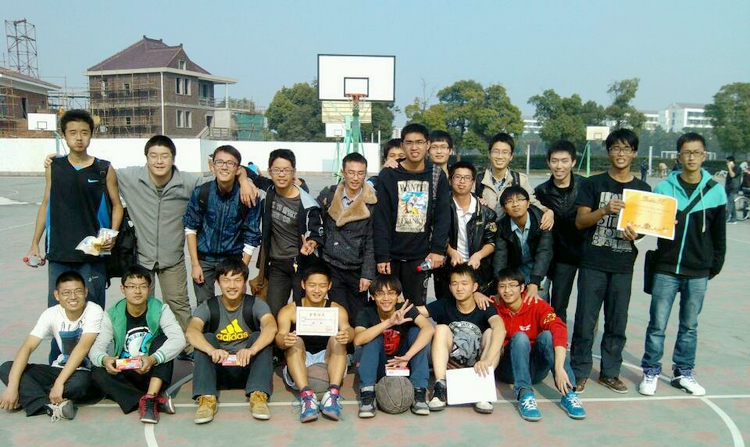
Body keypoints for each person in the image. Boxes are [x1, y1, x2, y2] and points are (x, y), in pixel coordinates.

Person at [113, 136, 256, 338]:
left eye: (165, 156)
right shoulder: (130, 177)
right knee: (139, 303)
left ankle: (188, 345)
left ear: (173, 159)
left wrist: (244, 180)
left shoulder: (188, 182)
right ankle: (141, 343)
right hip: (142, 256)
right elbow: (104, 171)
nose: (159, 161)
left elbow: (222, 178)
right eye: (153, 156)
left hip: (173, 258)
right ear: (146, 158)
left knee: (179, 306)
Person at [639, 133, 726, 396]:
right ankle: (651, 370)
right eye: (687, 152)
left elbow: (719, 236)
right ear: (678, 156)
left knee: (689, 326)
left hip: (698, 271)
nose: (691, 157)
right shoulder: (664, 190)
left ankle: (683, 372)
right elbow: (647, 225)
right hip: (666, 268)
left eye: (696, 152)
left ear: (704, 156)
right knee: (657, 324)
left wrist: (712, 266)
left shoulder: (715, 191)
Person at [570, 128, 651, 394]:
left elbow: (643, 230)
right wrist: (604, 210)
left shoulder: (643, 190)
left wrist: (636, 234)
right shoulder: (593, 184)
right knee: (585, 321)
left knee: (617, 322)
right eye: (615, 148)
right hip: (593, 262)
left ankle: (610, 372)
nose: (620, 153)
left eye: (626, 149)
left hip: (623, 265)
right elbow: (581, 221)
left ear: (634, 153)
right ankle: (580, 371)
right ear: (608, 152)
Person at [27, 110, 122, 335]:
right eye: (72, 132)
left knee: (93, 310)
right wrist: (35, 243)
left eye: (84, 132)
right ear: (64, 135)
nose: (79, 138)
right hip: (59, 251)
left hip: (93, 253)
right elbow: (46, 204)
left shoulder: (104, 169)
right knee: (58, 312)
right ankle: (58, 354)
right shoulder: (54, 167)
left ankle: (93, 354)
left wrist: (110, 236)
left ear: (91, 135)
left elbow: (117, 205)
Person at [0, 271, 103, 421]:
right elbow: (27, 347)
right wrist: (12, 387)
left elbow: (82, 348)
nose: (73, 297)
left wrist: (59, 384)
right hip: (59, 369)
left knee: (80, 384)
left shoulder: (94, 310)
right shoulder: (51, 314)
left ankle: (33, 398)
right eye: (66, 293)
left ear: (86, 292)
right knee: (7, 367)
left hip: (85, 372)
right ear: (56, 295)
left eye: (78, 291)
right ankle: (49, 404)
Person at [89, 265, 185, 423]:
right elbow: (96, 348)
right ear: (123, 289)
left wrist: (152, 359)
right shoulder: (112, 315)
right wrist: (105, 360)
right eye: (132, 286)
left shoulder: (160, 309)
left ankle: (151, 394)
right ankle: (150, 401)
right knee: (97, 372)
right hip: (126, 371)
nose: (137, 291)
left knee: (162, 341)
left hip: (153, 372)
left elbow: (179, 339)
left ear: (149, 288)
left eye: (142, 286)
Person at [185, 258, 277, 424]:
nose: (232, 286)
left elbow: (271, 327)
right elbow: (191, 331)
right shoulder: (209, 306)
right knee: (206, 338)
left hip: (248, 368)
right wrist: (211, 350)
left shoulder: (255, 304)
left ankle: (258, 395)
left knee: (260, 337)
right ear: (218, 282)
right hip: (219, 369)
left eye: (237, 280)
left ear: (245, 282)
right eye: (226, 280)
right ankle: (206, 398)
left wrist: (252, 350)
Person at [493, 268, 586, 422]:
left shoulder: (536, 305)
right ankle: (525, 394)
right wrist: (476, 295)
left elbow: (559, 329)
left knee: (548, 336)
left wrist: (559, 367)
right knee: (520, 338)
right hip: (508, 368)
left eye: (512, 285)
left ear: (522, 288)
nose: (507, 291)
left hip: (536, 369)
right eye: (502, 286)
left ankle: (569, 394)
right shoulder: (494, 305)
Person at [373, 123, 451, 306]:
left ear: (427, 145)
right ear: (402, 146)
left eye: (419, 142)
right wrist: (382, 255)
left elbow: (442, 216)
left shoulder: (436, 174)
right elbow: (381, 219)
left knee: (415, 308)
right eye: (409, 143)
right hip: (391, 256)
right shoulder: (389, 175)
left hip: (420, 256)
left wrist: (437, 250)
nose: (414, 147)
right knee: (387, 306)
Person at [416, 264, 505, 414]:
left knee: (491, 332)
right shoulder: (445, 303)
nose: (459, 288)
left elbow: (501, 329)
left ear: (474, 287)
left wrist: (487, 360)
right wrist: (394, 304)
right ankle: (440, 387)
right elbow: (418, 311)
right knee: (441, 329)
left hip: (478, 367)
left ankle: (483, 388)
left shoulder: (484, 306)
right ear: (450, 287)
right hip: (450, 367)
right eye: (455, 284)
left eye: (464, 284)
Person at [248, 149, 324, 316]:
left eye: (286, 170)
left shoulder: (307, 203)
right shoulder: (269, 190)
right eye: (277, 170)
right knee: (273, 312)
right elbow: (244, 171)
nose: (281, 174)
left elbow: (317, 233)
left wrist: (311, 243)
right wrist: (244, 182)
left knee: (301, 313)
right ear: (270, 172)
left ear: (294, 172)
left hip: (301, 265)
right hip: (276, 265)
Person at [184, 145, 262, 305]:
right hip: (204, 259)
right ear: (212, 166)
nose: (224, 167)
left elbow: (251, 235)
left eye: (230, 163)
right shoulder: (202, 192)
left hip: (232, 258)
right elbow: (191, 228)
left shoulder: (248, 196)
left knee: (234, 304)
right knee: (204, 306)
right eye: (219, 162)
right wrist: (195, 264)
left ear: (238, 169)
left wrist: (241, 269)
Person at [275, 264, 353, 422]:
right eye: (312, 285)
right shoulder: (289, 310)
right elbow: (279, 336)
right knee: (295, 341)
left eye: (322, 285)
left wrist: (347, 335)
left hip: (328, 359)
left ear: (329, 286)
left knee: (337, 340)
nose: (317, 290)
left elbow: (349, 329)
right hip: (300, 359)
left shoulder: (337, 309)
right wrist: (284, 340)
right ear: (303, 284)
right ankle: (306, 398)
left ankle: (333, 395)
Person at [354, 275, 435, 418]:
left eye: (391, 293)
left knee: (417, 332)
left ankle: (419, 391)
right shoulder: (366, 312)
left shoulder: (405, 309)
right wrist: (389, 323)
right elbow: (358, 340)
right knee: (372, 336)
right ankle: (367, 393)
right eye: (380, 293)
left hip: (404, 363)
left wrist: (407, 356)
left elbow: (429, 328)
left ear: (398, 296)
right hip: (379, 366)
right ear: (373, 296)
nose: (386, 298)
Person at [316, 152, 376, 326]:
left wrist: (367, 274)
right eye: (351, 172)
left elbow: (371, 240)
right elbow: (315, 219)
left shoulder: (372, 201)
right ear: (343, 172)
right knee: (338, 314)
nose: (355, 178)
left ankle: (357, 342)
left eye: (360, 173)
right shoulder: (329, 194)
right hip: (332, 264)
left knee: (358, 315)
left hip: (356, 267)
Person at [534, 141, 585, 322]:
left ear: (573, 162)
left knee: (588, 305)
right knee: (557, 305)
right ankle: (556, 337)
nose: (559, 166)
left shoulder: (586, 186)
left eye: (564, 161)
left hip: (586, 253)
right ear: (548, 162)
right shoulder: (541, 192)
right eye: (554, 161)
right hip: (559, 256)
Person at [436, 161, 497, 298]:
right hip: (448, 269)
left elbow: (491, 242)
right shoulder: (440, 209)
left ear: (473, 182)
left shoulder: (486, 212)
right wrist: (451, 252)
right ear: (450, 180)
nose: (462, 181)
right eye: (457, 177)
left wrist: (478, 255)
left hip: (477, 269)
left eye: (467, 178)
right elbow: (436, 235)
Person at [475, 132, 553, 228]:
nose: (500, 156)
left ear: (511, 156)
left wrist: (547, 211)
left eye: (505, 152)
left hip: (509, 233)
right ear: (489, 154)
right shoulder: (477, 180)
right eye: (496, 151)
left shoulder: (519, 179)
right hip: (483, 232)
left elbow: (531, 201)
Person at [492, 185, 554, 301]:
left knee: (538, 300)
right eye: (509, 201)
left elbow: (544, 252)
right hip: (515, 270)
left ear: (528, 203)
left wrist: (534, 282)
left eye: (520, 200)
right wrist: (501, 284)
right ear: (504, 208)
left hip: (539, 269)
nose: (515, 204)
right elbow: (500, 257)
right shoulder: (502, 227)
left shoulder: (542, 220)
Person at [725, 156, 742, 224]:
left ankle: (725, 218)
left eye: (728, 162)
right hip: (728, 188)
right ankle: (733, 218)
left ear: (732, 162)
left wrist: (729, 168)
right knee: (732, 203)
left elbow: (732, 175)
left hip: (734, 188)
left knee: (729, 203)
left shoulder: (737, 168)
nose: (727, 164)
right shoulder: (730, 169)